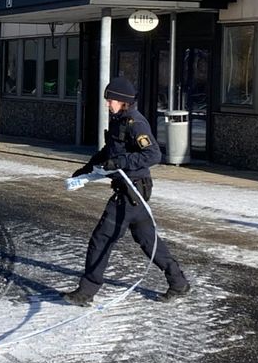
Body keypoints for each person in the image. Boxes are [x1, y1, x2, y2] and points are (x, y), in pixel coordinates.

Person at [62, 76, 190, 306]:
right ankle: (179, 283)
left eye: (111, 99)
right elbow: (108, 151)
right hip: (130, 191)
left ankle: (86, 291)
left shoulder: (135, 123)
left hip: (132, 192)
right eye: (108, 99)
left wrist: (119, 162)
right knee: (148, 241)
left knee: (101, 238)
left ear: (124, 102)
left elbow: (153, 155)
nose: (107, 103)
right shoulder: (118, 120)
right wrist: (86, 169)